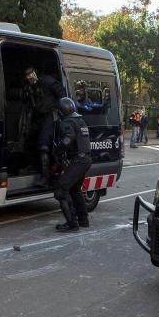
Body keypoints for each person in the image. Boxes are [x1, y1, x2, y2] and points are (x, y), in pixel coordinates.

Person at [53, 97, 92, 232]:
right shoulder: (80, 120)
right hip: (86, 159)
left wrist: (56, 152)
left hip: (78, 160)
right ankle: (83, 220)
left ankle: (72, 224)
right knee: (74, 189)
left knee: (60, 190)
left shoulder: (67, 122)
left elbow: (67, 140)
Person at [21, 66, 66, 174]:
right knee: (29, 141)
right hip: (38, 117)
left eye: (30, 73)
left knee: (43, 145)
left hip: (50, 115)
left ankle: (45, 176)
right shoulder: (30, 87)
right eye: (27, 75)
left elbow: (63, 96)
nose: (29, 76)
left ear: (35, 72)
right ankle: (33, 166)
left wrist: (58, 110)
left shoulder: (48, 81)